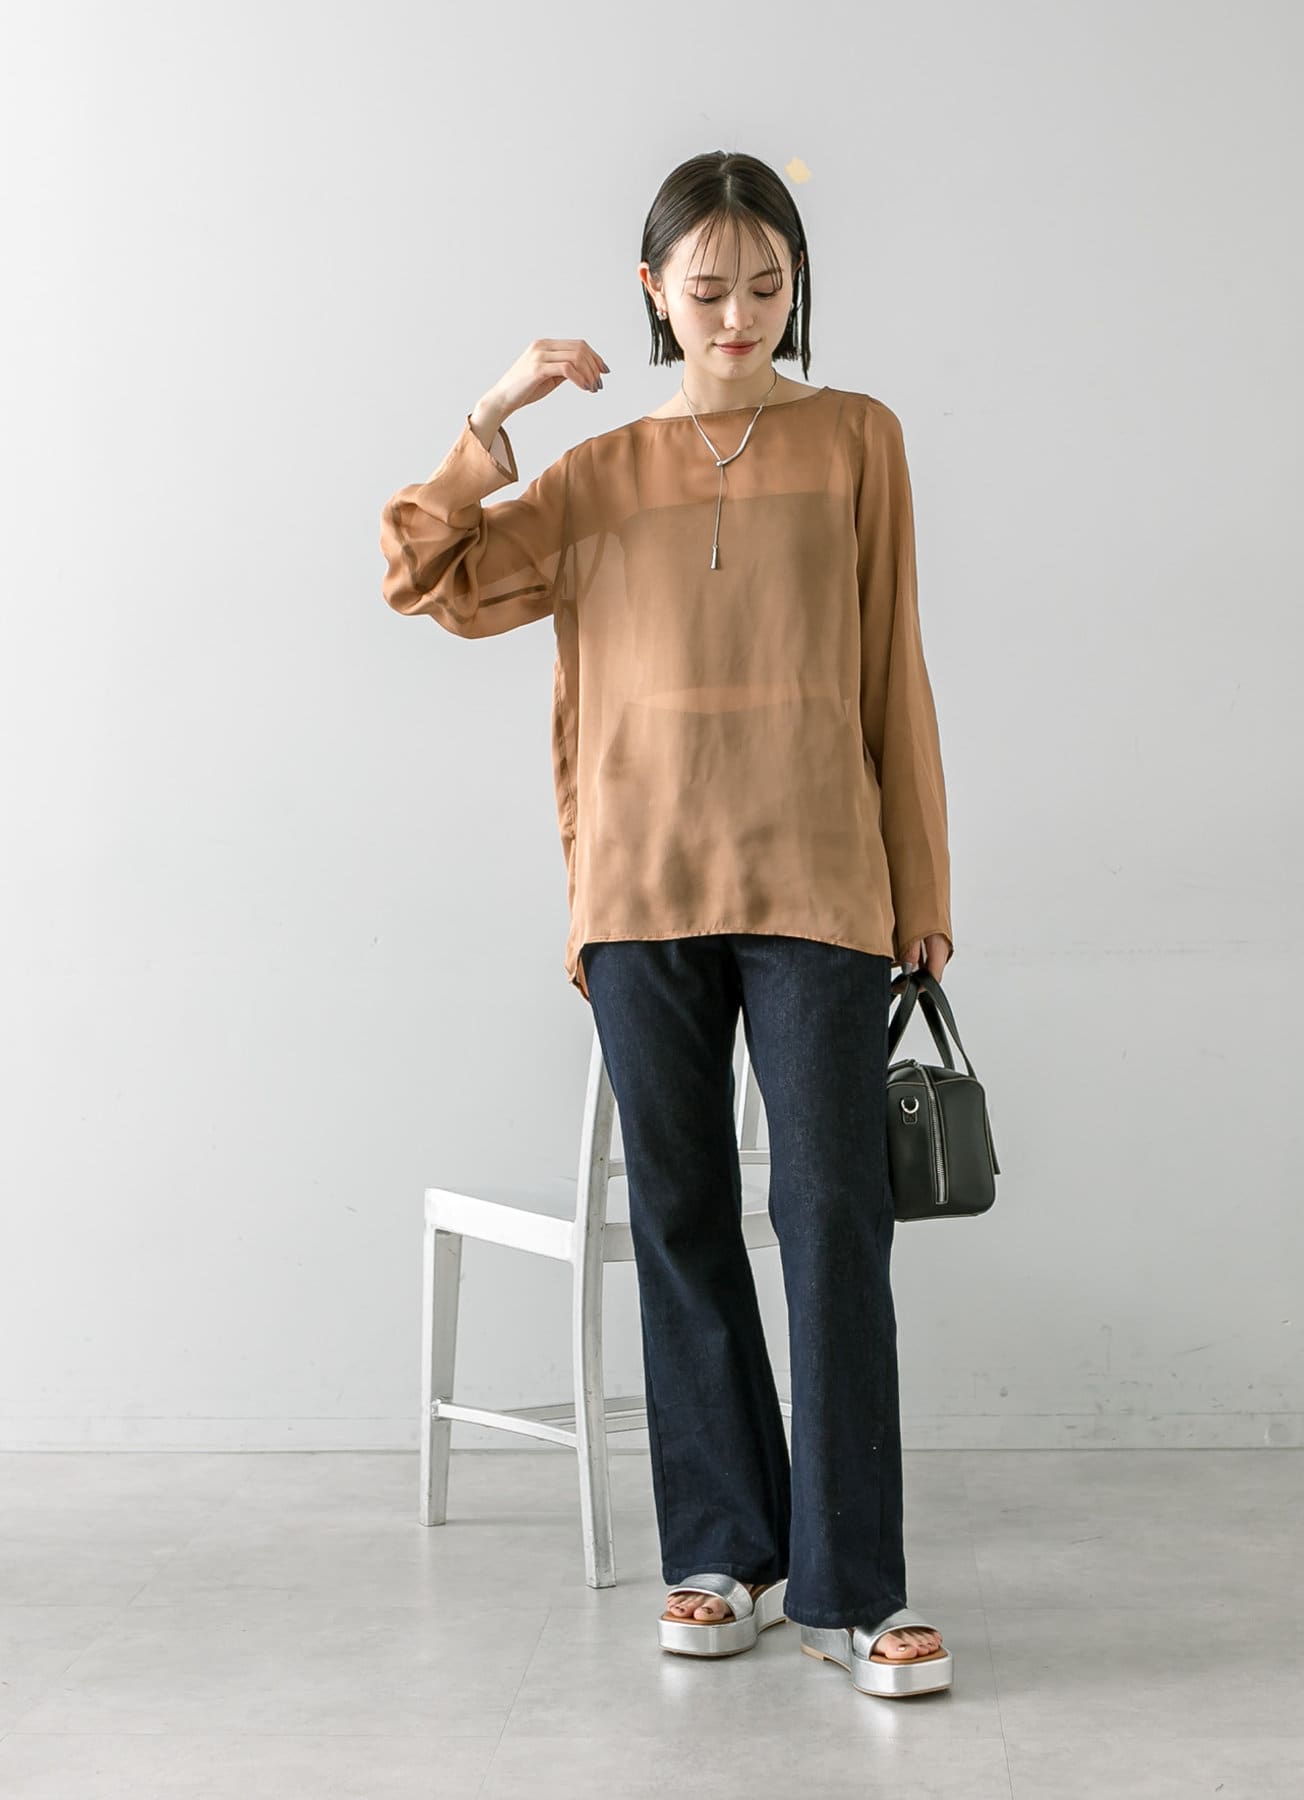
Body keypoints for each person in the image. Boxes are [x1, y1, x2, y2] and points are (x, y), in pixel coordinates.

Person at [379, 150, 955, 1699]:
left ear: (796, 284)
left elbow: (892, 666)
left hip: (822, 883)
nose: (740, 314)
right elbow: (424, 573)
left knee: (833, 1219)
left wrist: (922, 887)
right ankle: (723, 1553)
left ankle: (853, 1587)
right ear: (653, 292)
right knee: (685, 1222)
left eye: (767, 286)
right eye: (708, 290)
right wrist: (493, 416)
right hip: (640, 896)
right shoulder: (599, 474)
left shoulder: (858, 441)